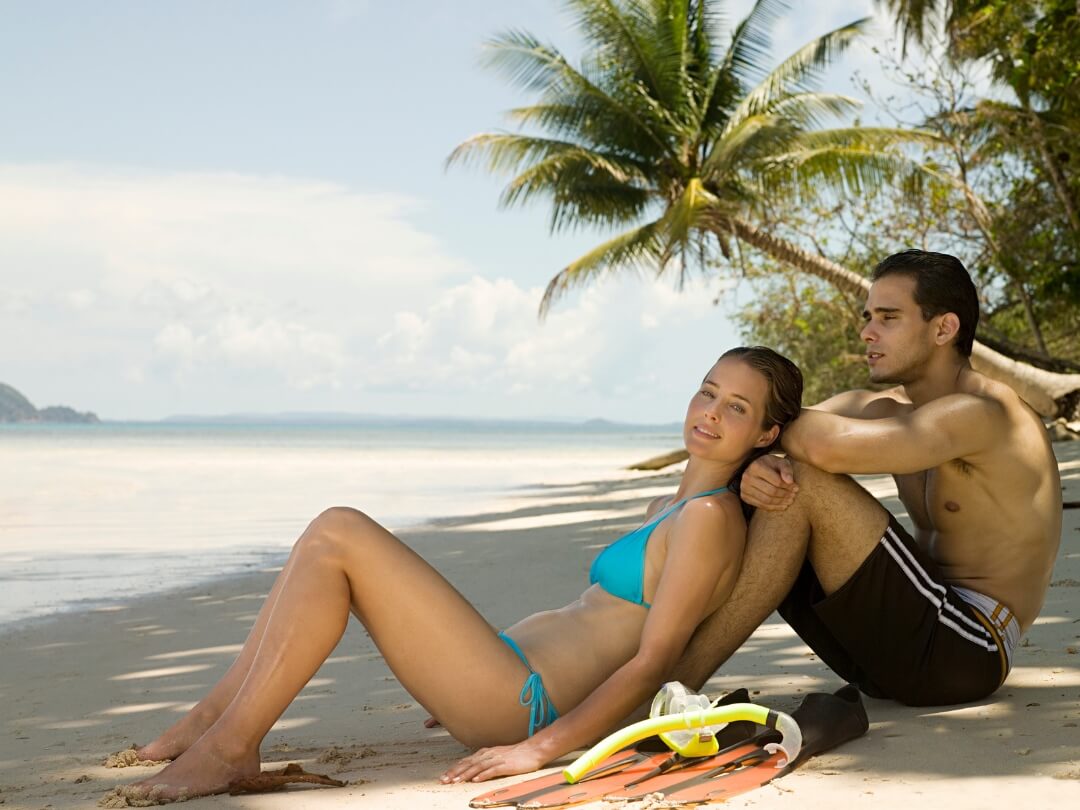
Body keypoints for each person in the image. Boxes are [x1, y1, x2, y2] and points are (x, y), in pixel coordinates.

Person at [110, 346, 803, 802]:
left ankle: (229, 745)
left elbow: (654, 660)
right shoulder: (670, 504)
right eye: (707, 393)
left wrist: (539, 749)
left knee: (338, 530)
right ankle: (214, 718)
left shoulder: (710, 519)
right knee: (325, 543)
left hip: (522, 701)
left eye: (736, 408)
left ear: (768, 434)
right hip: (500, 671)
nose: (710, 414)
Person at [670, 250, 1063, 707]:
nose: (867, 332)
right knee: (756, 483)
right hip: (899, 644)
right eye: (869, 317)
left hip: (969, 647)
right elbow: (786, 428)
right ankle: (642, 656)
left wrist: (764, 439)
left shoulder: (985, 414)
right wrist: (757, 458)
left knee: (803, 483)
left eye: (889, 318)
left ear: (943, 329)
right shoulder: (890, 408)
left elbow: (818, 445)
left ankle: (671, 679)